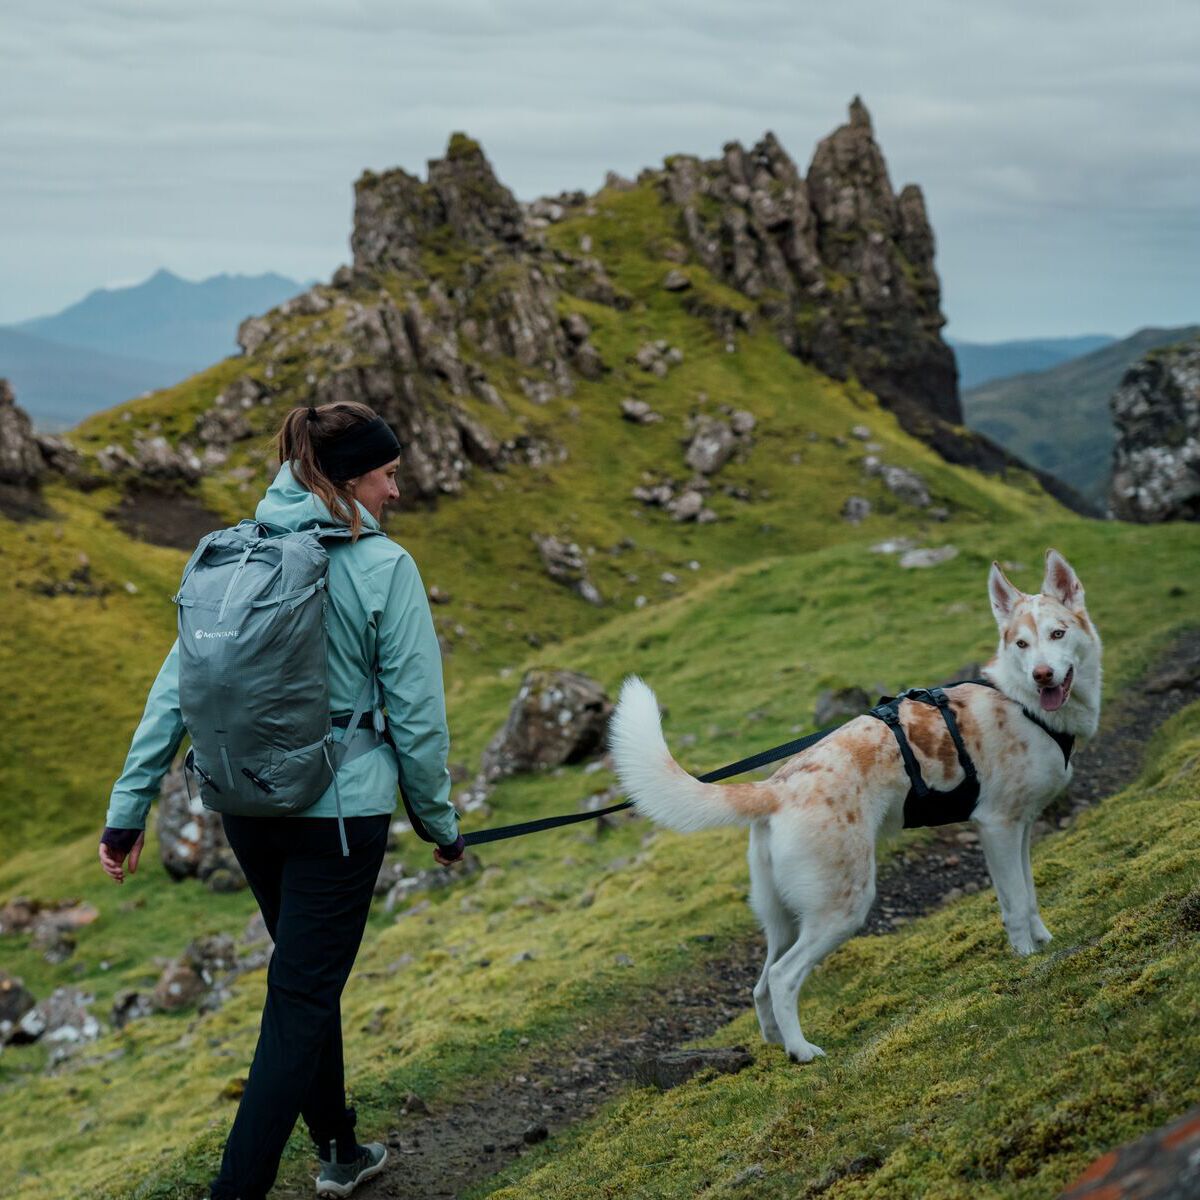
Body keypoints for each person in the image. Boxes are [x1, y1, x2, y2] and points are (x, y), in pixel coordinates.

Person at [97, 400, 464, 1200]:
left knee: (306, 979)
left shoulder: (237, 555)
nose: (396, 493)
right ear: (347, 480)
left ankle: (339, 1147)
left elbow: (176, 691)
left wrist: (128, 810)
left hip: (249, 806)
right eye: (388, 476)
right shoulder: (382, 567)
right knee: (301, 995)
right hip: (340, 817)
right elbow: (417, 719)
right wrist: (441, 825)